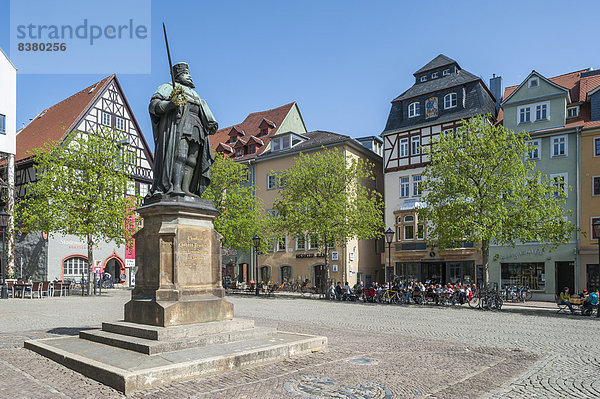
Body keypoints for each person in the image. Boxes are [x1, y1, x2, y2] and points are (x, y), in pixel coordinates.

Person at [149, 62, 219, 198]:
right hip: (181, 125)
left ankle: (187, 189)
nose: (189, 77)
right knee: (180, 155)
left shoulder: (195, 94)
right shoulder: (168, 87)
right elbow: (154, 106)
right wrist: (170, 104)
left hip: (197, 127)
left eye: (189, 74)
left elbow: (204, 111)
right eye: (185, 74)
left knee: (192, 160)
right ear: (177, 76)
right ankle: (175, 186)